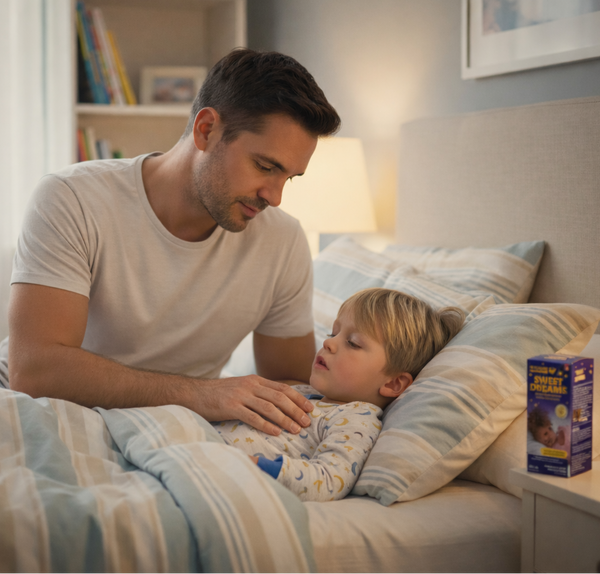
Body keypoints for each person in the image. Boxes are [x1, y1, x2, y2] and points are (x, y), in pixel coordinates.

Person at [2, 49, 341, 436]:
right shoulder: (71, 198)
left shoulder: (283, 242)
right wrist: (204, 395)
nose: (275, 197)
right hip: (35, 406)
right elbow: (34, 371)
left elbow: (290, 385)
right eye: (265, 167)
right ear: (206, 129)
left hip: (167, 426)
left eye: (290, 178)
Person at [213, 288, 465, 501]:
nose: (329, 343)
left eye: (353, 342)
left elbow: (329, 479)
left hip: (216, 467)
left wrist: (250, 465)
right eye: (333, 333)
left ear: (395, 383)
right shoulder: (304, 393)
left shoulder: (356, 418)